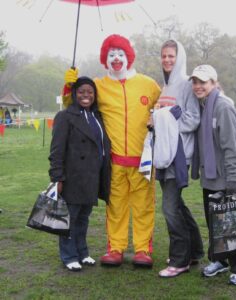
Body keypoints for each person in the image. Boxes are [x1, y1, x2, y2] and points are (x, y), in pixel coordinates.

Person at [63, 34, 161, 267]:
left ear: (129, 56)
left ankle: (142, 249)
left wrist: (158, 114)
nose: (116, 58)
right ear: (104, 60)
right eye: (111, 55)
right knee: (115, 206)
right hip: (114, 162)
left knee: (143, 206)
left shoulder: (149, 84)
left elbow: (166, 103)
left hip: (144, 161)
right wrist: (69, 86)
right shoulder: (98, 86)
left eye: (120, 54)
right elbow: (72, 105)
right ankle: (115, 248)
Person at [191, 65, 236, 285]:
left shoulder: (223, 107)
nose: (198, 86)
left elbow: (233, 148)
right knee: (215, 224)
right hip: (210, 178)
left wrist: (234, 182)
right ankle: (220, 260)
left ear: (214, 83)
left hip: (227, 178)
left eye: (203, 82)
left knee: (231, 225)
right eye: (195, 82)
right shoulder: (201, 106)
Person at [151, 40, 204, 278]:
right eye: (163, 56)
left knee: (169, 207)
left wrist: (165, 120)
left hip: (179, 154)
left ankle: (180, 260)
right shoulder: (165, 86)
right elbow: (165, 116)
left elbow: (193, 118)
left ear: (179, 56)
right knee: (177, 205)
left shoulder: (185, 84)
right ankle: (195, 251)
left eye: (171, 55)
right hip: (164, 152)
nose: (167, 60)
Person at [49, 76, 111, 272]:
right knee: (70, 218)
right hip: (73, 178)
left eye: (90, 92)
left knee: (83, 218)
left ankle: (82, 253)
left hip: (92, 177)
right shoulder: (66, 116)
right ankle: (69, 255)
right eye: (82, 92)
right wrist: (57, 177)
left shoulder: (96, 116)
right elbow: (56, 150)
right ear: (75, 94)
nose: (86, 95)